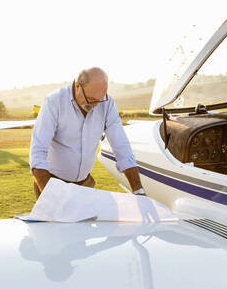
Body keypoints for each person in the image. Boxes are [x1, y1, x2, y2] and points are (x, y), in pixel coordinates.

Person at [29, 67, 145, 199]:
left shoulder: (106, 103)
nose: (96, 105)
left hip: (85, 184)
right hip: (52, 183)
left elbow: (121, 146)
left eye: (100, 99)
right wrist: (48, 195)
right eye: (91, 99)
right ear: (77, 86)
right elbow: (38, 152)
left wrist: (138, 190)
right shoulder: (53, 102)